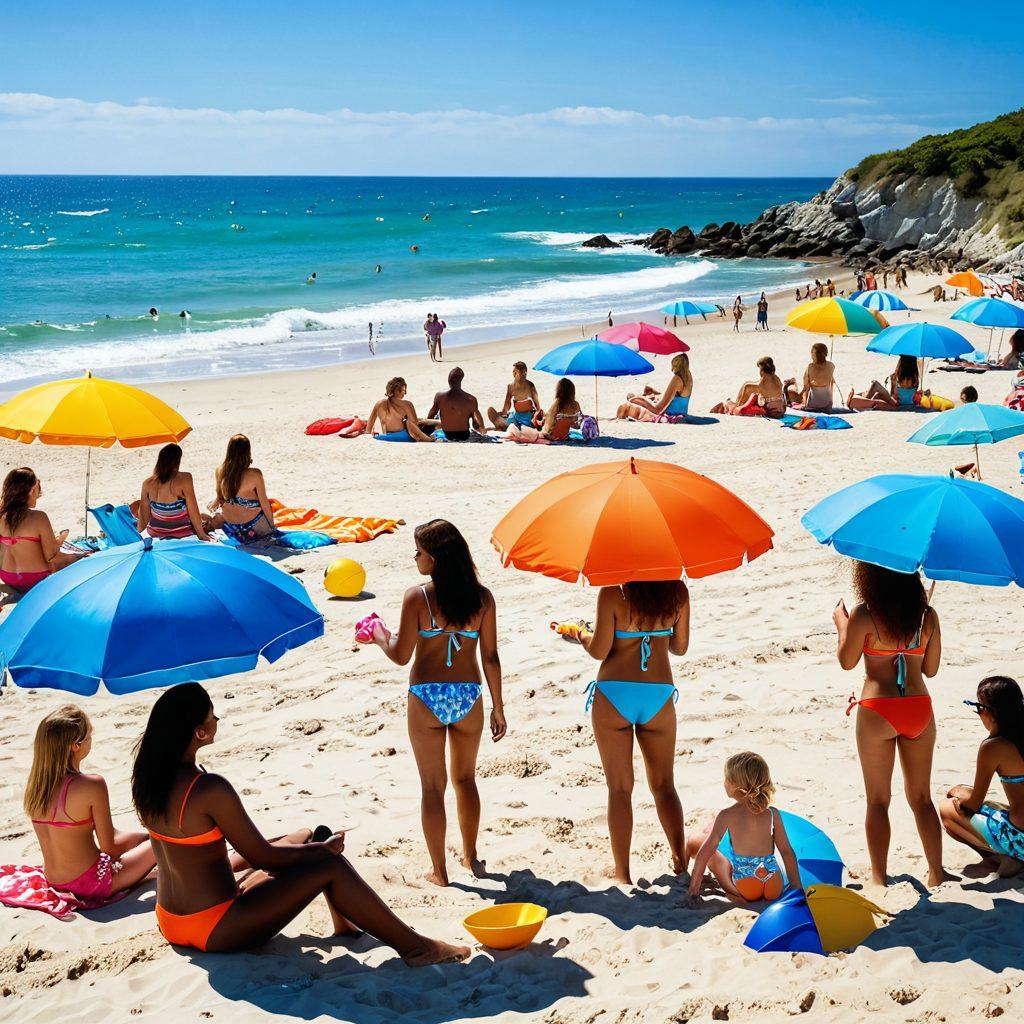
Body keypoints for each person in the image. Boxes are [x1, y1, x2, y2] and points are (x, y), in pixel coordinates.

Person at [131, 683, 468, 960]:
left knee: (305, 841)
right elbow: (264, 857)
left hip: (171, 919)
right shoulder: (208, 788)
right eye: (213, 716)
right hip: (215, 926)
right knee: (329, 864)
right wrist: (323, 850)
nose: (217, 720)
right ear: (200, 732)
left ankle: (345, 925)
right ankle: (416, 948)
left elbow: (207, 857)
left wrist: (305, 843)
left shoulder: (149, 782)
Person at [365, 520, 505, 886]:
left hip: (427, 696)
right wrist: (499, 707)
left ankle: (439, 871)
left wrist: (379, 634)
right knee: (466, 780)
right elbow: (490, 657)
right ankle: (471, 857)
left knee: (432, 786)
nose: (415, 558)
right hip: (468, 696)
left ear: (436, 559)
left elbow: (400, 654)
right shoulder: (482, 598)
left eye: (419, 552)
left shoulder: (419, 597)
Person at [832, 561, 948, 887]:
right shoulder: (927, 616)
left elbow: (846, 661)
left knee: (878, 801)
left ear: (870, 578)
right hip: (918, 708)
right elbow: (932, 669)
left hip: (877, 707)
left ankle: (880, 878)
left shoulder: (865, 614)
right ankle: (937, 872)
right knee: (922, 798)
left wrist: (842, 623)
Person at [577, 581, 689, 884]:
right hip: (658, 693)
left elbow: (599, 650)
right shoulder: (677, 592)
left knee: (619, 788)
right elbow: (680, 647)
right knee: (665, 784)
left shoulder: (614, 592)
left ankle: (623, 874)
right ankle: (680, 859)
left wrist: (580, 634)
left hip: (615, 693)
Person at [0, 705, 156, 917]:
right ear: (76, 745)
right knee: (163, 842)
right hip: (91, 884)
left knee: (146, 842)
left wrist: (140, 839)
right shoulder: (92, 785)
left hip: (54, 879)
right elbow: (111, 846)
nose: (91, 740)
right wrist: (149, 838)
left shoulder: (37, 787)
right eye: (89, 736)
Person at [686, 752, 802, 903]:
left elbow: (706, 850)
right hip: (773, 883)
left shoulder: (727, 815)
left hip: (746, 884)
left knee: (715, 858)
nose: (724, 782)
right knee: (770, 864)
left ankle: (734, 893)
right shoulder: (772, 814)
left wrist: (694, 887)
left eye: (727, 779)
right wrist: (796, 886)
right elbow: (786, 851)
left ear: (739, 789)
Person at [940, 676, 1024, 877]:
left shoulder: (993, 746)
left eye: (978, 708)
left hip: (1020, 837)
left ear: (990, 712)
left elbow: (974, 803)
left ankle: (1006, 856)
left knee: (947, 808)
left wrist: (958, 790)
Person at [0, 467, 85, 593]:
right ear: (31, 490)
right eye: (37, 491)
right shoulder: (39, 517)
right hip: (36, 578)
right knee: (78, 558)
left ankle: (17, 593)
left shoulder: (2, 516)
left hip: (8, 576)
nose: (38, 496)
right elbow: (51, 555)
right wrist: (61, 538)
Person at [206, 435, 277, 542]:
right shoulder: (255, 474)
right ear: (247, 452)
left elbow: (220, 498)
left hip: (231, 527)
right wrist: (272, 527)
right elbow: (264, 503)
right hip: (254, 525)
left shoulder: (220, 471)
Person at [138, 444, 212, 541]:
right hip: (182, 534)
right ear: (177, 460)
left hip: (156, 534)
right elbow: (193, 509)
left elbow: (144, 517)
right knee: (205, 517)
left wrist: (138, 531)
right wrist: (202, 535)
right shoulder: (185, 478)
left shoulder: (147, 483)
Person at [617, 353, 693, 421]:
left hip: (671, 415)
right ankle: (648, 394)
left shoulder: (677, 379)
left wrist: (641, 401)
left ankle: (641, 396)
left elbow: (658, 410)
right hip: (682, 412)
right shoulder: (688, 376)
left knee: (629, 403)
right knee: (640, 396)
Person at [507, 378, 582, 443]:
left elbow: (549, 423)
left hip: (551, 436)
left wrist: (542, 419)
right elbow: (578, 422)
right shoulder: (576, 405)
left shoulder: (557, 404)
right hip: (564, 436)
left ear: (559, 391)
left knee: (518, 428)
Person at [710, 356, 786, 417]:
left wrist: (746, 385)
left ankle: (736, 405)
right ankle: (735, 404)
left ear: (762, 370)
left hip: (772, 413)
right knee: (749, 386)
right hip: (781, 411)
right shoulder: (776, 378)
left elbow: (749, 386)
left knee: (747, 386)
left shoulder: (762, 381)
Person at [365, 377, 435, 442]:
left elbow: (369, 426)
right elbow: (415, 423)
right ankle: (428, 439)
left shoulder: (379, 404)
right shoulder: (407, 404)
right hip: (405, 435)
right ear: (398, 391)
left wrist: (368, 433)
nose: (404, 393)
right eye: (404, 390)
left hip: (386, 435)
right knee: (409, 423)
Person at [847, 355, 924, 411]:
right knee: (877, 394)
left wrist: (892, 380)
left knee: (875, 384)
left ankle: (861, 402)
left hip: (896, 403)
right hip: (906, 403)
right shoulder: (915, 379)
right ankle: (860, 399)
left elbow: (893, 394)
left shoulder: (898, 378)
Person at [428, 367, 485, 441]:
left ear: (448, 380)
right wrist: (479, 427)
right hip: (464, 435)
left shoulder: (439, 396)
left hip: (447, 434)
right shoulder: (471, 399)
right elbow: (476, 423)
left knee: (437, 419)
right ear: (461, 380)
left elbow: (431, 415)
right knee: (472, 411)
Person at [487, 361, 542, 430]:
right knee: (501, 414)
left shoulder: (511, 387)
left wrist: (503, 414)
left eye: (515, 372)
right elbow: (537, 404)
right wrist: (538, 415)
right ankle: (510, 426)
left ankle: (507, 426)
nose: (513, 374)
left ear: (521, 373)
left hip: (519, 418)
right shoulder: (530, 385)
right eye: (513, 372)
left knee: (491, 411)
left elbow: (507, 406)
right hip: (528, 418)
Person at [784, 343, 837, 411]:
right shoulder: (831, 365)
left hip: (813, 404)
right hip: (827, 404)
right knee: (830, 381)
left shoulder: (810, 366)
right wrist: (830, 403)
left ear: (813, 355)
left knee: (791, 393)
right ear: (826, 353)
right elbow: (831, 385)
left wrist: (804, 404)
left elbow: (806, 388)